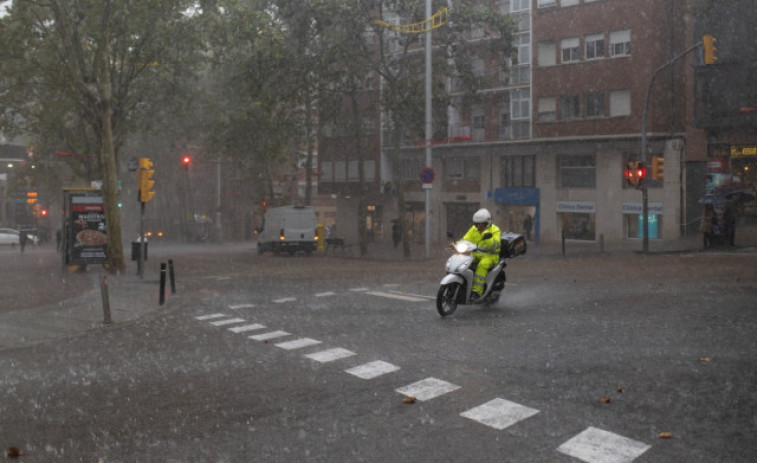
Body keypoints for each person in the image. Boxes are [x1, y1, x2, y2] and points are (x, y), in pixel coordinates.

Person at [456, 208, 501, 300]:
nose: (479, 226)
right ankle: (462, 284)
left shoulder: (495, 230)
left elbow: (495, 246)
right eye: (476, 223)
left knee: (482, 265)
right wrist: (458, 244)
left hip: (491, 256)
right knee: (463, 261)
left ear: (487, 222)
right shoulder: (473, 229)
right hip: (476, 253)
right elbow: (466, 239)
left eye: (481, 224)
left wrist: (486, 234)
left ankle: (476, 291)